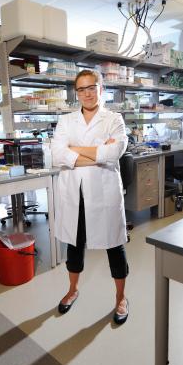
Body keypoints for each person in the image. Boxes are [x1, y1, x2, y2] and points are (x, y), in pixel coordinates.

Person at [51, 69, 129, 325]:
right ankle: (73, 290)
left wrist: (74, 153)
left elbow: (114, 152)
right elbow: (57, 155)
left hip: (104, 194)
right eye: (81, 89)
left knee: (114, 246)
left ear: (100, 89)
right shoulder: (66, 121)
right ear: (77, 93)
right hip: (75, 194)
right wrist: (97, 154)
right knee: (74, 246)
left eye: (91, 87)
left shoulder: (114, 119)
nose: (86, 93)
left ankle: (120, 297)